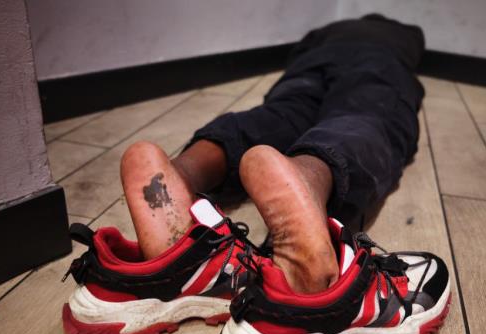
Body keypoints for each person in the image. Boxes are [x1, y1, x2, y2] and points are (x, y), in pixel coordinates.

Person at [119, 14, 425, 294]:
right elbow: (412, 53)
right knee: (366, 114)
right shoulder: (403, 31)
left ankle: (183, 172)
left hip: (307, 65)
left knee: (279, 116)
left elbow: (297, 51)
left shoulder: (325, 30)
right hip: (377, 61)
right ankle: (308, 175)